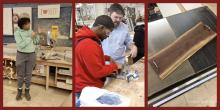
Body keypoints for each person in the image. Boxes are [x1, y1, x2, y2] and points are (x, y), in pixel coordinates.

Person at [75, 15, 122, 99]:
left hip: (85, 85)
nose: (107, 36)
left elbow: (88, 58)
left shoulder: (86, 39)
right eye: (107, 33)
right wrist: (115, 66)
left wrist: (106, 58)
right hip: (87, 90)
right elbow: (98, 72)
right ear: (101, 27)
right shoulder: (89, 44)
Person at [14, 17, 40, 101]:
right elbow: (21, 45)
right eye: (28, 23)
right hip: (21, 55)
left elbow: (36, 42)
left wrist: (37, 35)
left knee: (29, 75)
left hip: (31, 55)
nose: (29, 25)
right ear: (23, 25)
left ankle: (27, 91)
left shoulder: (31, 31)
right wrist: (30, 37)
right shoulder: (17, 33)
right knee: (20, 75)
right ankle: (19, 92)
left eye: (29, 23)